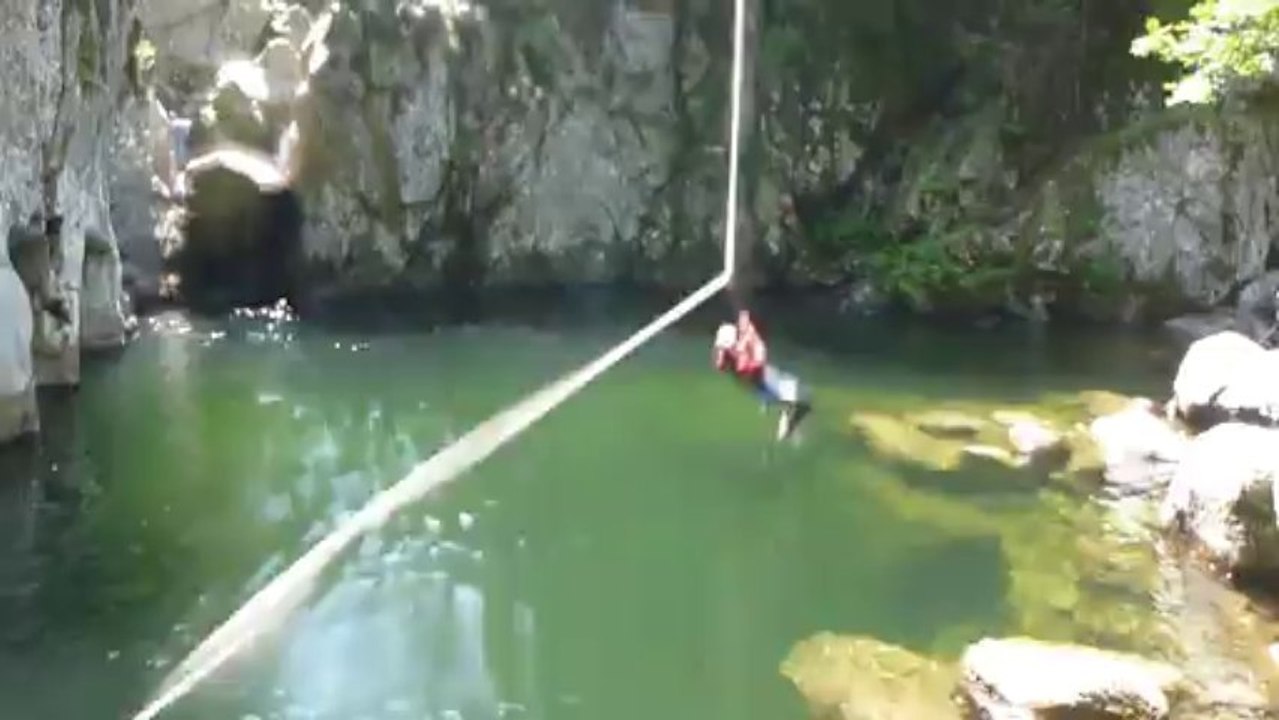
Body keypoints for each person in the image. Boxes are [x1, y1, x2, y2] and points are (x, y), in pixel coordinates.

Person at [713, 310, 811, 440]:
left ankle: (785, 418)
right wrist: (751, 337)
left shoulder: (728, 357)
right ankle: (786, 423)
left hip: (760, 381)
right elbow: (758, 357)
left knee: (800, 396)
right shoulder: (741, 364)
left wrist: (745, 325)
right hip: (764, 385)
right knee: (802, 403)